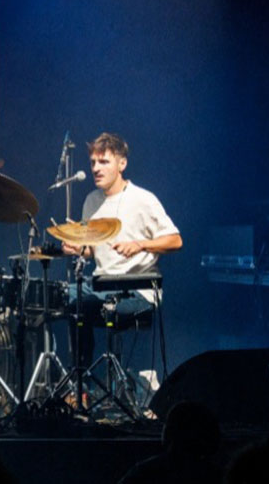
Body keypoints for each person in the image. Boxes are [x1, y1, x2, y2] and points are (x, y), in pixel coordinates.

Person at [61, 133, 182, 395]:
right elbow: (92, 250)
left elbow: (175, 240)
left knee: (100, 305)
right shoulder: (92, 201)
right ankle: (82, 386)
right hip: (101, 284)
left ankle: (135, 383)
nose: (95, 168)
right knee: (66, 298)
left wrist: (140, 244)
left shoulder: (143, 199)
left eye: (103, 162)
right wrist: (78, 248)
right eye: (93, 162)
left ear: (122, 163)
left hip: (138, 291)